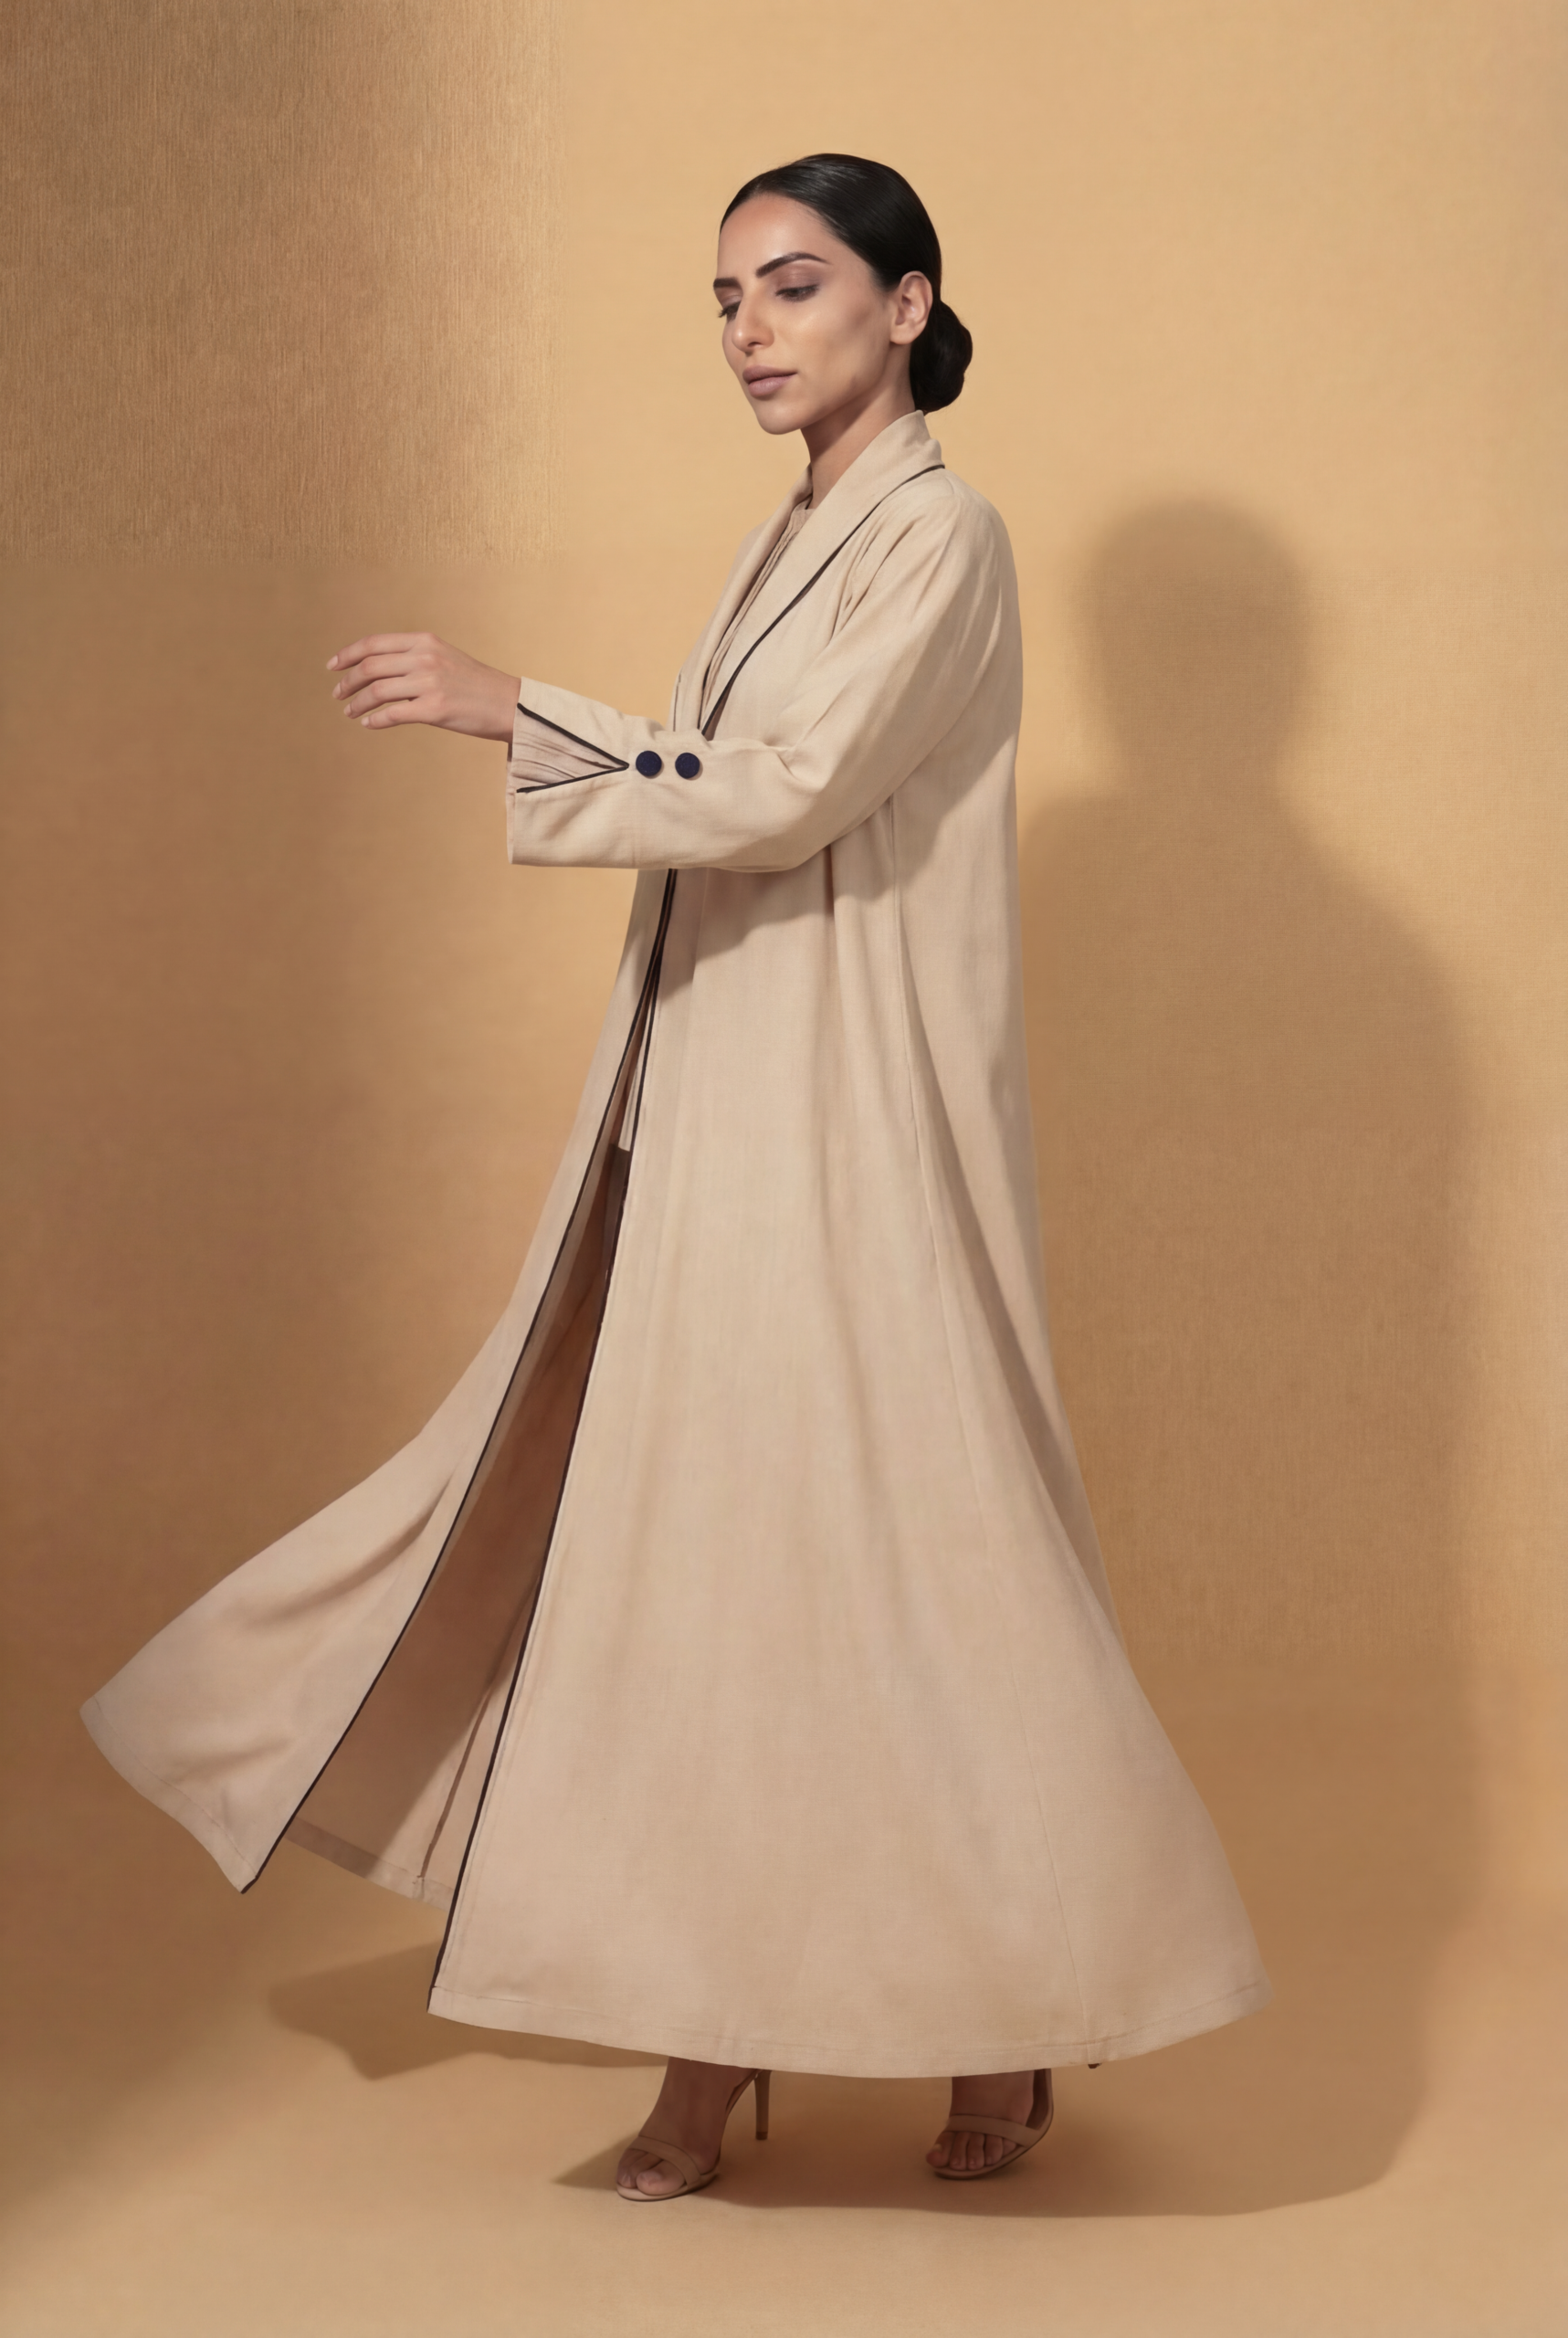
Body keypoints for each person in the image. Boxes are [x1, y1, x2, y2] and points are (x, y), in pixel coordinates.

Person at [83, 153, 1270, 2203]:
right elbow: (739, 801)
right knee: (710, 1580)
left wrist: (510, 707)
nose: (748, 330)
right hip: (711, 1110)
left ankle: (1002, 2006)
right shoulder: (786, 536)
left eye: (793, 286)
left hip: (856, 1135)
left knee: (922, 1569)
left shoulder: (943, 536)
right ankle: (712, 2043)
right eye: (725, 297)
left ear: (907, 304)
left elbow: (785, 794)